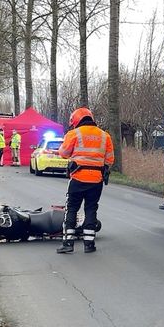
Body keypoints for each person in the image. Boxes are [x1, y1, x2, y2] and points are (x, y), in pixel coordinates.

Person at [56, 107, 114, 254]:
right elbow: (110, 159)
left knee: (72, 209)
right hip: (96, 180)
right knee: (91, 209)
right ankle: (89, 244)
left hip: (78, 178)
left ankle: (68, 242)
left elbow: (63, 153)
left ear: (76, 120)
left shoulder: (73, 134)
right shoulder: (105, 135)